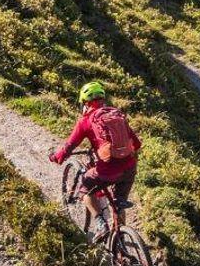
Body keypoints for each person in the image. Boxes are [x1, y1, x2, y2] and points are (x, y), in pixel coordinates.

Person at [48, 80, 141, 237]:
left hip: (108, 171)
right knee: (119, 203)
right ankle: (120, 237)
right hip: (130, 168)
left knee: (85, 190)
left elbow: (68, 147)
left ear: (85, 103)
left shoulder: (85, 121)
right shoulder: (117, 115)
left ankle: (100, 224)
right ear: (103, 99)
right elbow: (136, 144)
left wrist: (56, 157)